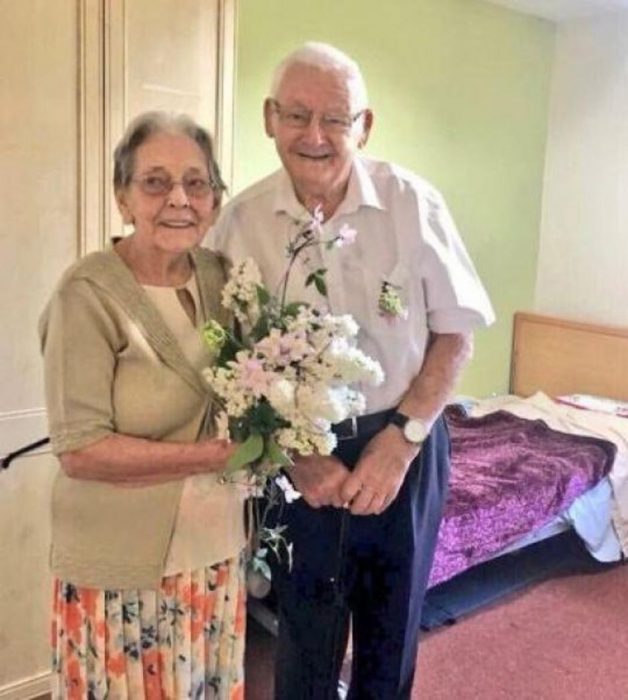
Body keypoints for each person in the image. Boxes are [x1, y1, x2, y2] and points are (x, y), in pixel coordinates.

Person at [211, 42, 495, 700]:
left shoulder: (412, 204)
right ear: (268, 118)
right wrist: (293, 455)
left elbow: (456, 335)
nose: (315, 136)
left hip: (407, 441)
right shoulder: (239, 223)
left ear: (365, 126)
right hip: (298, 456)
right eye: (297, 114)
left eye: (336, 118)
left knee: (390, 634)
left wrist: (400, 443)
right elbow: (220, 350)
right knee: (302, 631)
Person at [39, 111, 247, 699]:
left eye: (197, 182)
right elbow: (80, 450)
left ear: (215, 198)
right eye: (155, 182)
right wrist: (212, 455)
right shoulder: (87, 294)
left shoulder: (219, 276)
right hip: (121, 566)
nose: (179, 198)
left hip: (213, 553)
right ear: (122, 198)